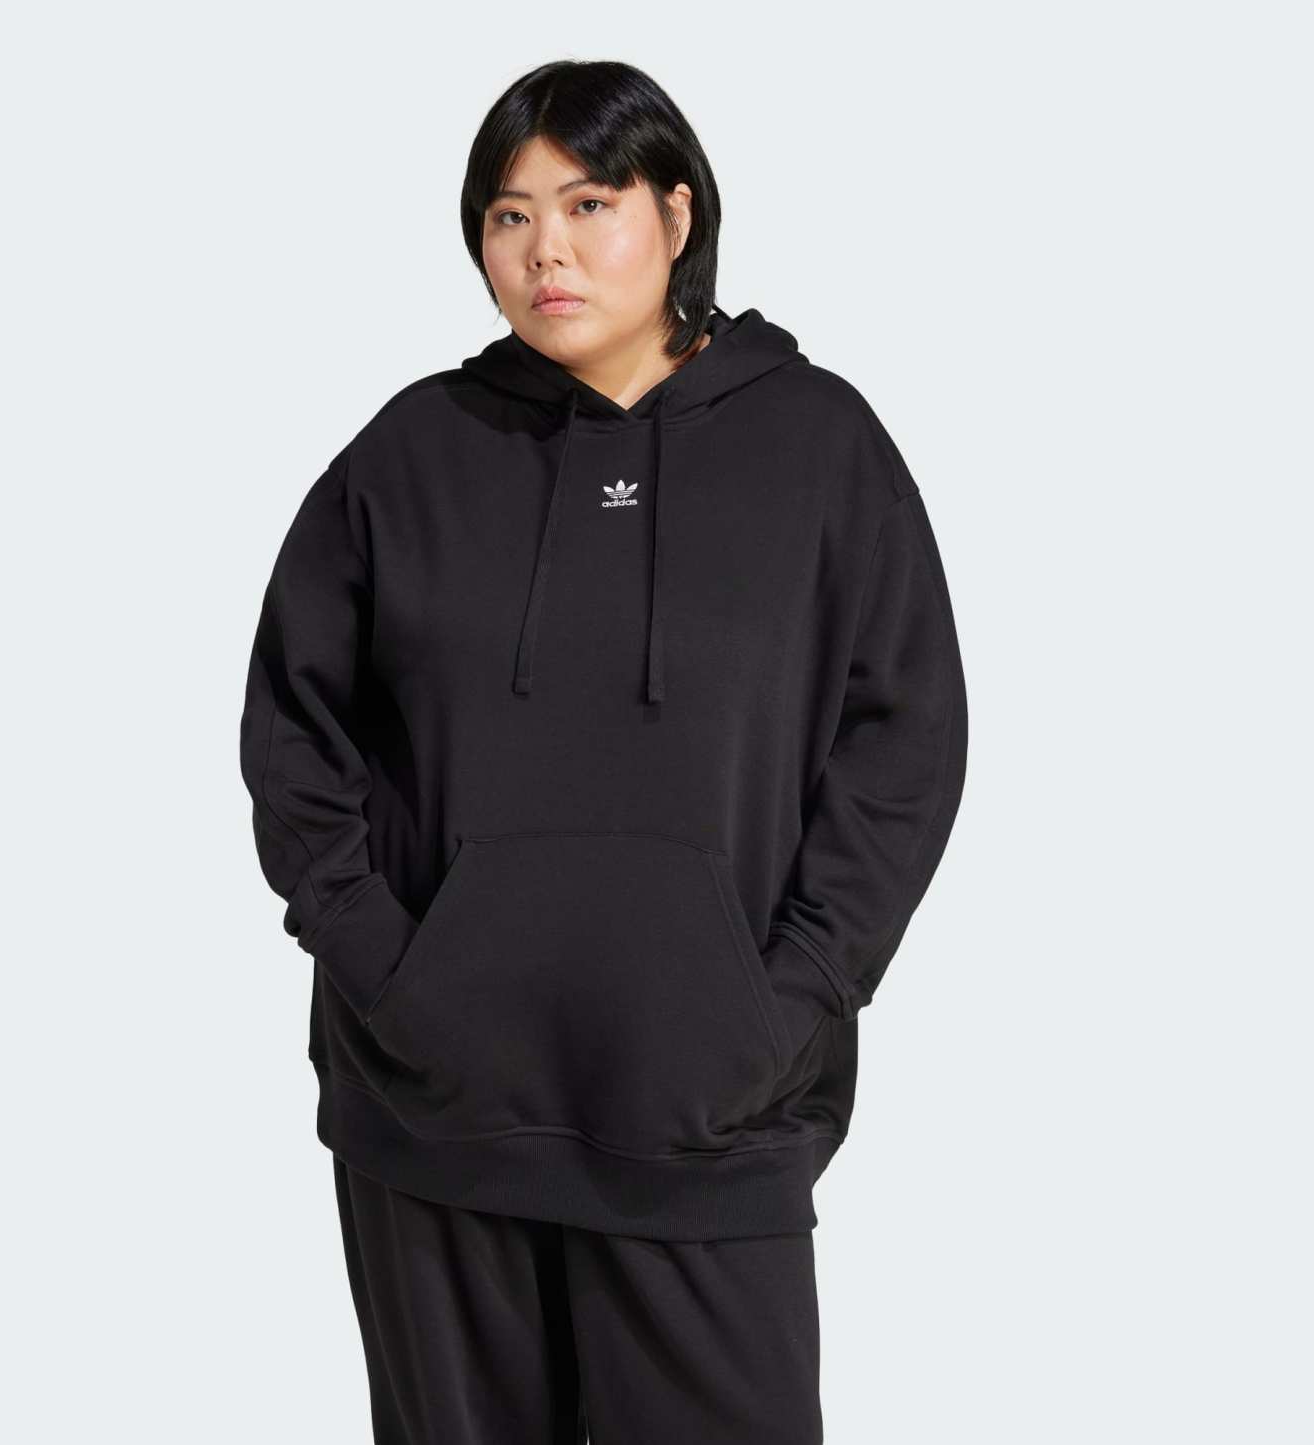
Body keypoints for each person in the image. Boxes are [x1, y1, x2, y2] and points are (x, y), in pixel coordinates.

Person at [238, 58, 968, 1445]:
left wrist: (787, 1002)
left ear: (676, 215)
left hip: (710, 1121)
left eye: (588, 204)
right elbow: (293, 732)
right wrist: (393, 977)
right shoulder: (410, 454)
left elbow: (905, 746)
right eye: (509, 216)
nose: (546, 251)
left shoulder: (819, 449)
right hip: (437, 1120)